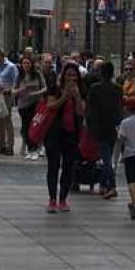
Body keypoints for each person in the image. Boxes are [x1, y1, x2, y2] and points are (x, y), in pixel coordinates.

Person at [40, 65, 85, 213]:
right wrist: (65, 96)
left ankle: (63, 198)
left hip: (71, 133)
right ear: (63, 76)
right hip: (54, 132)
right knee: (53, 165)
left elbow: (81, 112)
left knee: (68, 166)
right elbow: (51, 106)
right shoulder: (54, 89)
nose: (71, 79)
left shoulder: (81, 90)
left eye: (74, 76)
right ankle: (52, 198)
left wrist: (77, 96)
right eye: (69, 75)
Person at [85, 60, 124, 199]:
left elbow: (90, 109)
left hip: (98, 126)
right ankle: (103, 185)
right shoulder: (118, 88)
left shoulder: (95, 88)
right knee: (107, 155)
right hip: (112, 126)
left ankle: (112, 185)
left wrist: (89, 125)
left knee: (106, 158)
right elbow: (120, 108)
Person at [15, 54, 48, 160]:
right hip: (22, 104)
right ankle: (30, 149)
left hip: (35, 103)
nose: (26, 65)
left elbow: (44, 88)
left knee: (33, 126)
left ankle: (36, 148)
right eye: (24, 63)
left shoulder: (37, 74)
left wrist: (35, 93)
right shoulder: (19, 75)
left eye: (28, 63)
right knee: (25, 127)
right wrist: (21, 90)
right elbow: (13, 90)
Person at [0, 49, 20, 156]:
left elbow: (15, 81)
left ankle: (10, 146)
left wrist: (11, 91)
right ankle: (1, 144)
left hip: (7, 95)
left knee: (7, 120)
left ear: (0, 55)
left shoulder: (11, 67)